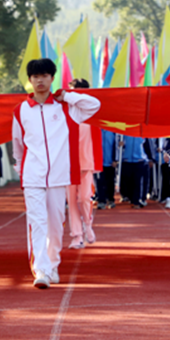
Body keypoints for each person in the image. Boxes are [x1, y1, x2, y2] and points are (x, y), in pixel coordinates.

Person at [12, 58, 100, 289]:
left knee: (55, 224)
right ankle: (40, 270)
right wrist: (23, 169)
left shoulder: (66, 108)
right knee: (37, 222)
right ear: (30, 80)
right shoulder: (21, 110)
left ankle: (52, 265)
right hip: (33, 176)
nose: (40, 81)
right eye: (35, 77)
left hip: (59, 177)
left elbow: (94, 105)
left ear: (52, 78)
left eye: (44, 76)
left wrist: (68, 95)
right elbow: (18, 146)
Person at [65, 78, 102, 249]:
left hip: (86, 161)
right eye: (72, 92)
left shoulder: (92, 112)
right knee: (72, 200)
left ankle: (88, 224)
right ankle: (77, 235)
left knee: (85, 197)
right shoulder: (64, 112)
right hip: (68, 162)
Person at [120, 135, 151, 208]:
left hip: (140, 160)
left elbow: (148, 145)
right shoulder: (124, 133)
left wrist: (150, 158)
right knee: (128, 181)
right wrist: (120, 144)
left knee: (138, 181)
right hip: (127, 160)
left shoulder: (142, 133)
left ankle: (137, 200)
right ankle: (131, 198)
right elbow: (119, 144)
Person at [96, 129, 117, 209]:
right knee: (100, 182)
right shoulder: (97, 131)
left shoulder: (113, 131)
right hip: (99, 163)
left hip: (110, 163)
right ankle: (101, 201)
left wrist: (115, 159)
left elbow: (116, 146)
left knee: (110, 182)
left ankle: (111, 200)